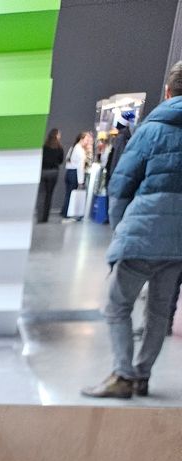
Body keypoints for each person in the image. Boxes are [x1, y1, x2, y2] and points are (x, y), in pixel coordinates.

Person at [82, 62, 182, 399]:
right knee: (159, 311)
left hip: (144, 230)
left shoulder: (151, 130)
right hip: (178, 243)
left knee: (117, 305)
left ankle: (123, 374)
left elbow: (121, 184)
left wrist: (121, 229)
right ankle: (142, 376)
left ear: (167, 92)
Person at [61, 131, 90, 219]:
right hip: (74, 174)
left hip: (69, 172)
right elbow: (80, 167)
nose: (87, 142)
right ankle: (68, 214)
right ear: (81, 139)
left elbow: (68, 160)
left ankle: (64, 211)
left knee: (68, 194)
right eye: (86, 139)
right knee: (71, 194)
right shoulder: (80, 150)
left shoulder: (73, 147)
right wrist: (81, 181)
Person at [37, 128, 63, 223]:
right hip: (53, 172)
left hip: (43, 172)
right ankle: (45, 217)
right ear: (56, 136)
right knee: (49, 195)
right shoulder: (59, 148)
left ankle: (40, 217)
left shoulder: (44, 147)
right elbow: (60, 161)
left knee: (41, 195)